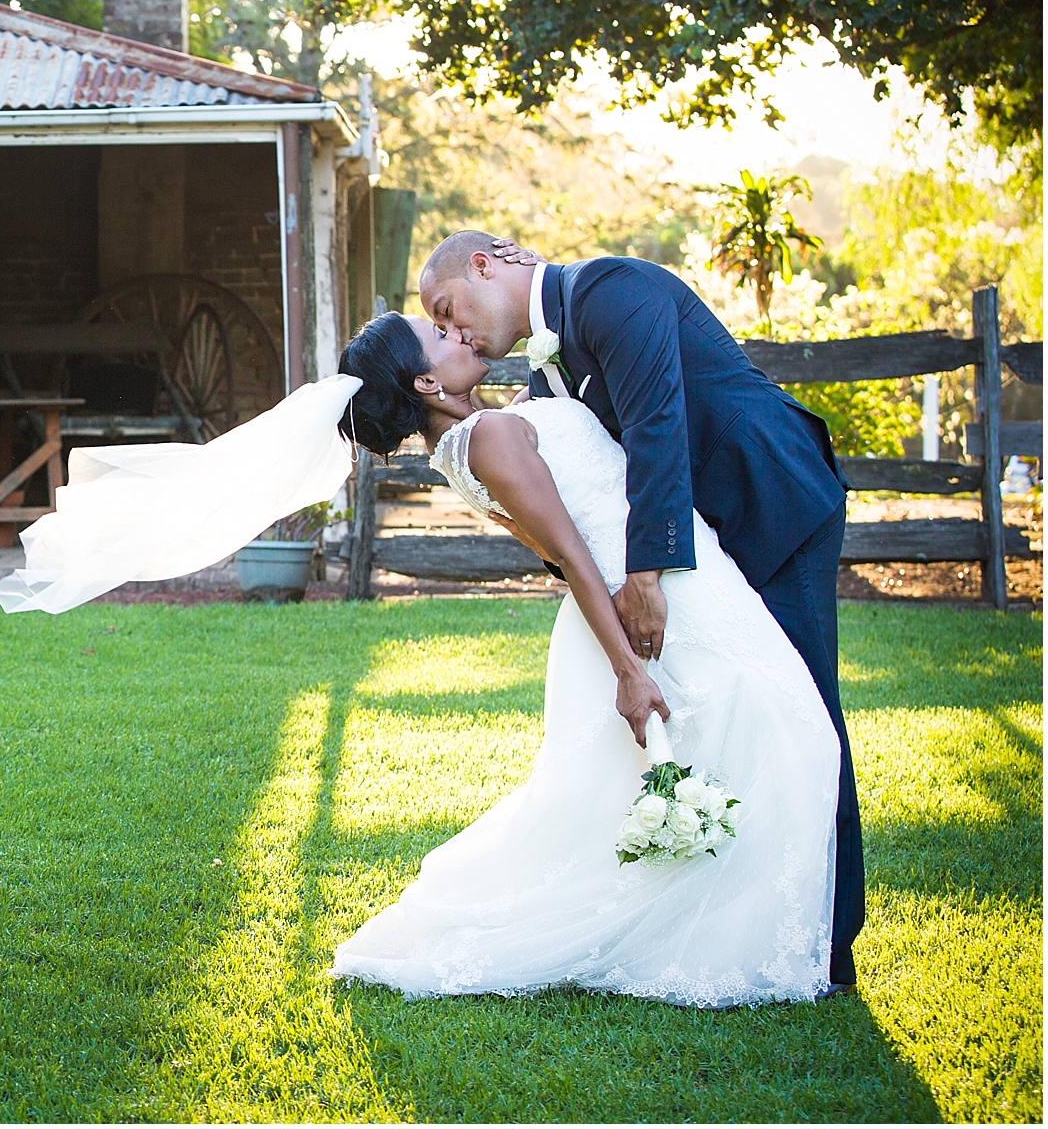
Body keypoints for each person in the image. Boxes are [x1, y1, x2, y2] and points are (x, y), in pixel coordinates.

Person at [329, 311, 840, 1007]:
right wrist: (630, 671)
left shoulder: (466, 441)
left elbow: (556, 556)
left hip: (666, 587)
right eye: (442, 338)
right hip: (655, 601)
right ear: (425, 379)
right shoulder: (491, 437)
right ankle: (723, 942)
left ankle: (726, 929)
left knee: (761, 739)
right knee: (794, 731)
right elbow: (567, 556)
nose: (461, 336)